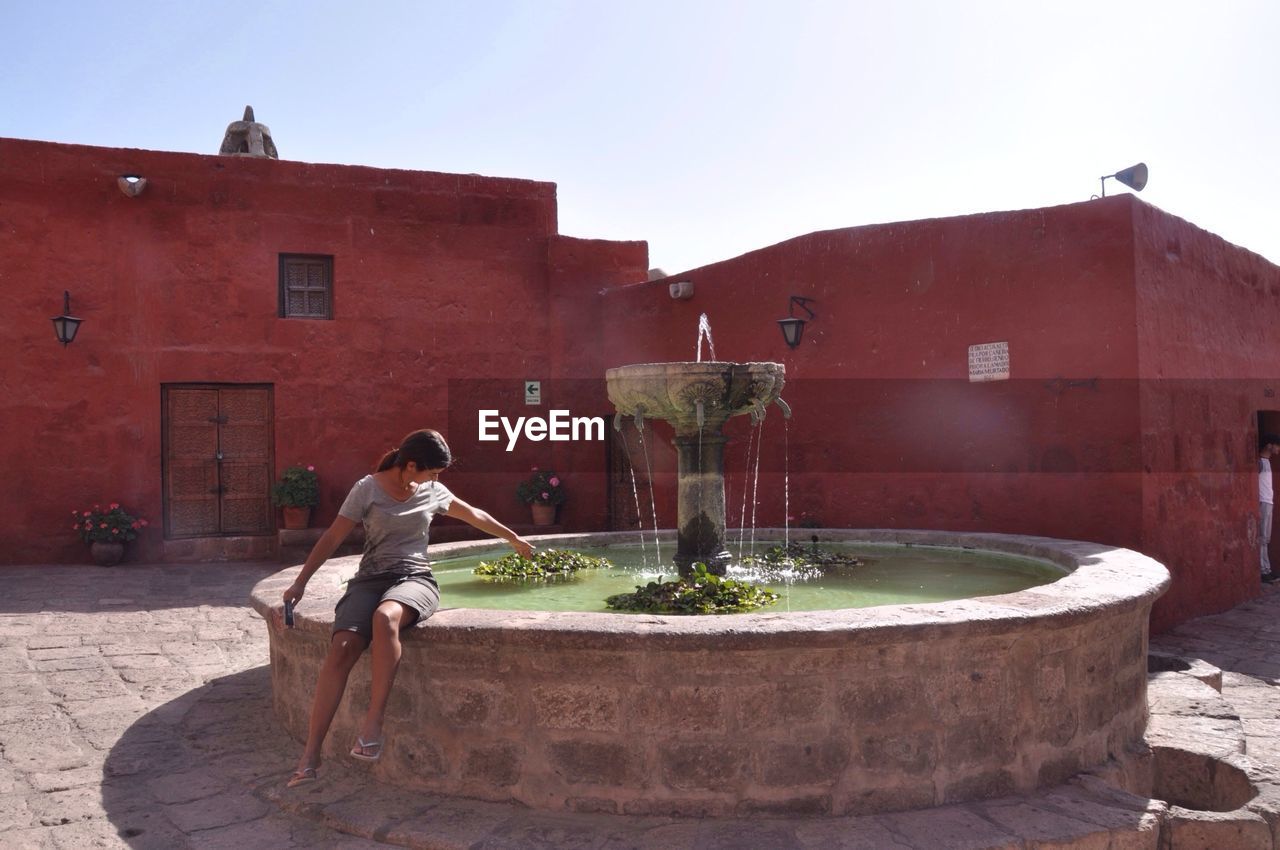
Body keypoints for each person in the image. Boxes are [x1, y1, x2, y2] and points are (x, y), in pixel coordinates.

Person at [281, 429, 533, 787]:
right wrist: (300, 582)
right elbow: (333, 536)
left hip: (415, 580)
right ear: (410, 464)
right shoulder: (366, 489)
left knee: (385, 617)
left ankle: (373, 725)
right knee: (341, 647)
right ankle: (309, 757)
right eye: (431, 472)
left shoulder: (433, 490)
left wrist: (513, 537)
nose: (435, 480)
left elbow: (473, 514)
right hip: (370, 580)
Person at [1261, 433, 1280, 584]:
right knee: (1262, 538)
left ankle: (1266, 569)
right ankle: (1263, 570)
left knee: (1266, 538)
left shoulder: (1266, 462)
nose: (1278, 449)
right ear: (1269, 445)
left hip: (1268, 501)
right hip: (1263, 502)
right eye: (1276, 445)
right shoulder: (1260, 462)